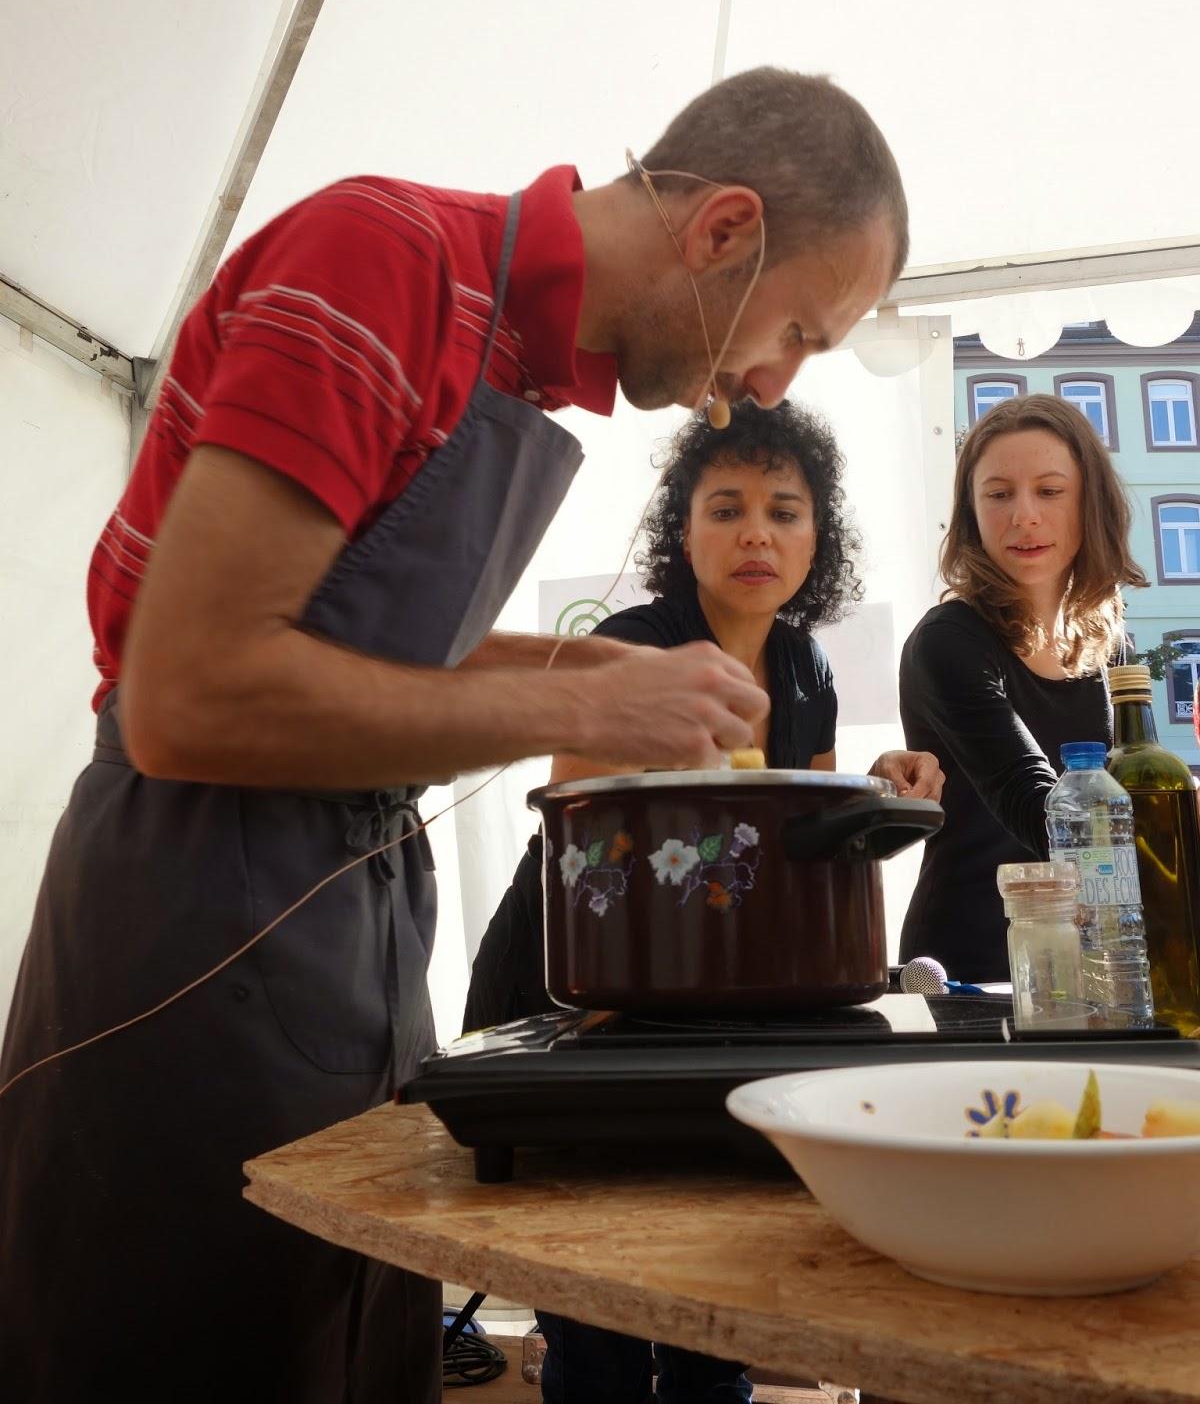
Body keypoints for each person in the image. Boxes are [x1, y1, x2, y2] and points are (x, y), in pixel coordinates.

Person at [0, 67, 908, 1404]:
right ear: (722, 231)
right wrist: (588, 703)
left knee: (360, 1349)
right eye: (795, 334)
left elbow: (354, 649)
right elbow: (189, 691)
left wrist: (578, 661)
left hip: (353, 920)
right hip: (193, 909)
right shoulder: (380, 260)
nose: (753, 390)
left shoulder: (510, 361)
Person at [465, 398, 943, 1404]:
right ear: (682, 533)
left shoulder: (808, 664)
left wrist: (871, 788)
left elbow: (790, 824)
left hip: (725, 991)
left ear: (821, 535)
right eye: (725, 508)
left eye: (784, 508)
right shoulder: (636, 646)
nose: (757, 531)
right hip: (579, 983)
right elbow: (583, 821)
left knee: (712, 1291)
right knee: (592, 1294)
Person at [898, 393, 1146, 982]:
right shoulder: (948, 641)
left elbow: (1128, 792)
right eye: (999, 494)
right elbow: (1044, 812)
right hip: (973, 966)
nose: (1024, 516)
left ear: (1091, 504)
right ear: (972, 512)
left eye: (1050, 491)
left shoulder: (1110, 637)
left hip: (1094, 957)